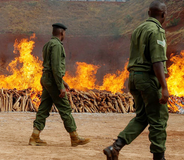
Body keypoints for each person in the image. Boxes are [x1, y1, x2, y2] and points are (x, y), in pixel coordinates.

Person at [103, 1, 169, 160]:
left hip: (134, 78)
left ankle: (115, 147)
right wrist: (165, 88)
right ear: (163, 15)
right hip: (148, 79)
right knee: (158, 119)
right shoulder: (156, 30)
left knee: (142, 117)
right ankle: (159, 158)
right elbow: (157, 61)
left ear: (148, 13)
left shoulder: (138, 29)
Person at [29, 23, 90, 147]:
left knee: (44, 108)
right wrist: (60, 86)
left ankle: (34, 137)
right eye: (64, 33)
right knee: (65, 108)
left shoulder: (48, 44)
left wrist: (63, 82)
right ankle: (74, 137)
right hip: (52, 81)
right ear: (62, 33)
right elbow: (56, 67)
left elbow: (50, 66)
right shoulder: (57, 45)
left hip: (46, 78)